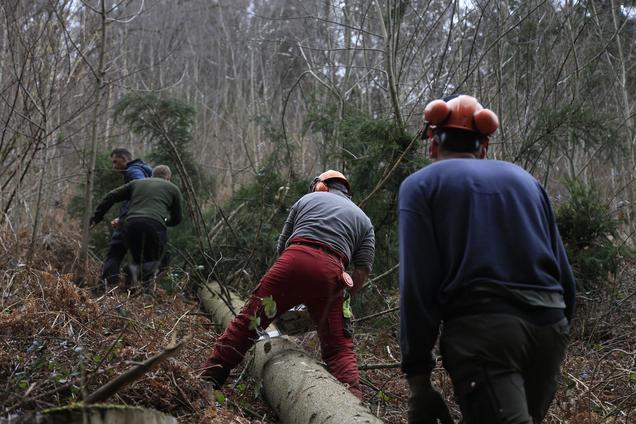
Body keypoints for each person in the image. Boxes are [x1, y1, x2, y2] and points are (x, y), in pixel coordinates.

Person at [398, 95, 576, 424]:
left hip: (484, 332)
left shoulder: (421, 185)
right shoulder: (526, 180)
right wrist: (559, 330)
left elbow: (417, 286)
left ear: (433, 146)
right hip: (550, 326)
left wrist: (418, 380)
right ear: (484, 148)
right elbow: (565, 277)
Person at [198, 170, 375, 399]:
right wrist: (340, 297)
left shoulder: (306, 199)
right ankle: (353, 404)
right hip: (333, 272)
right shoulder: (363, 219)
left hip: (293, 258)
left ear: (320, 186)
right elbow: (362, 270)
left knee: (247, 323)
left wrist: (289, 289)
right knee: (339, 349)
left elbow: (282, 245)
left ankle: (209, 378)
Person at [91, 165, 183, 286]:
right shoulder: (173, 188)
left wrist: (97, 217)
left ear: (152, 175)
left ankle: (130, 288)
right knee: (153, 261)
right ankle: (144, 293)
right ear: (168, 178)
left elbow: (111, 195)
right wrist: (164, 221)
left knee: (137, 258)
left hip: (131, 224)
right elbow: (177, 219)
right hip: (155, 225)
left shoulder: (137, 183)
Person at [101, 148, 153, 286]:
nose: (114, 166)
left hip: (131, 220)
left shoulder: (133, 171)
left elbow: (140, 190)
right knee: (138, 256)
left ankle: (108, 290)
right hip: (147, 220)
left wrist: (123, 218)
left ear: (124, 159)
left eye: (115, 162)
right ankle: (133, 290)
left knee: (114, 253)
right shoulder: (147, 170)